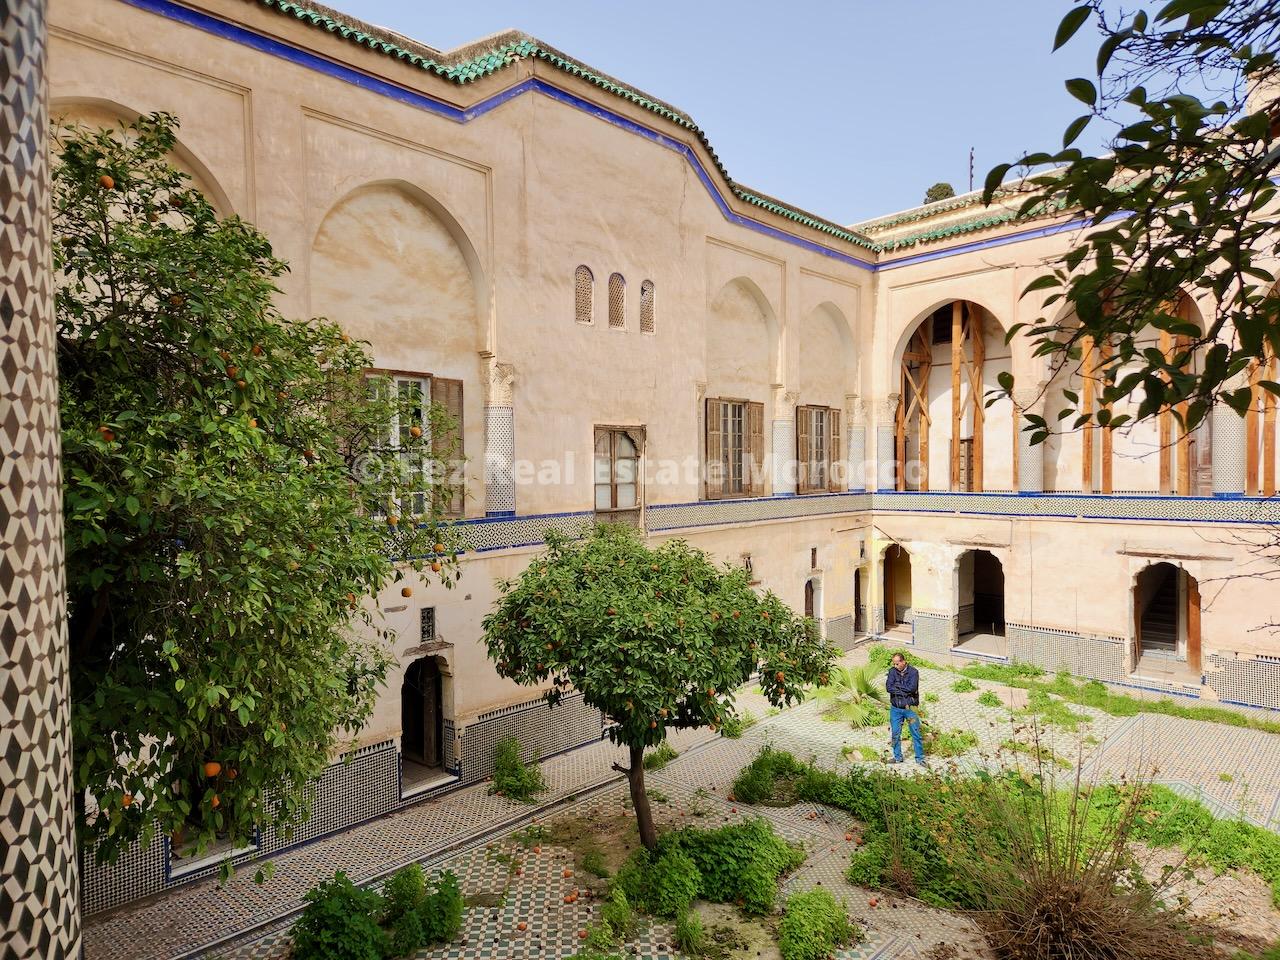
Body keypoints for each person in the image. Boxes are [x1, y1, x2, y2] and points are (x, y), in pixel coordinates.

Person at [885, 652, 925, 766]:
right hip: (896, 708)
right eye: (894, 664)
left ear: (903, 662)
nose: (895, 666)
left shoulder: (913, 672)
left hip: (910, 708)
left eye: (897, 664)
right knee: (895, 733)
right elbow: (888, 687)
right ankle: (897, 757)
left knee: (916, 732)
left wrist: (897, 686)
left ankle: (920, 758)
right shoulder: (892, 671)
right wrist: (903, 689)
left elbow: (912, 688)